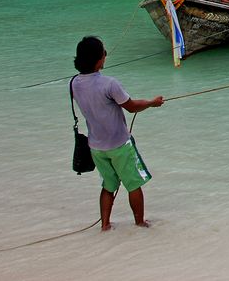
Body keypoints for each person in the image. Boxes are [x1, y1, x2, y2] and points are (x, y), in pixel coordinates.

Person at [70, 36, 164, 230]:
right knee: (133, 184)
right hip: (119, 145)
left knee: (108, 185)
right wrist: (152, 103)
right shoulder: (109, 84)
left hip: (96, 147)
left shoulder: (74, 84)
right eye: (104, 52)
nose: (105, 55)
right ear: (99, 59)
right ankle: (140, 223)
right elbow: (131, 107)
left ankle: (105, 225)